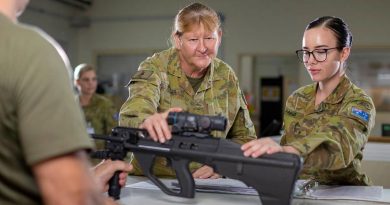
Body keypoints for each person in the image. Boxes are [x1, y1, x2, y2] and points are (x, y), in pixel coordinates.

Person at [0, 1, 132, 204]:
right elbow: (69, 196)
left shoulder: (103, 105)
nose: (90, 84)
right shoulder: (30, 52)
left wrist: (87, 179)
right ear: (77, 82)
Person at [119, 2, 257, 179]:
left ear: (220, 37)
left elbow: (245, 137)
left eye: (209, 38)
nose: (202, 48)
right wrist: (147, 121)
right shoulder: (156, 68)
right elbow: (133, 114)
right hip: (154, 182)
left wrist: (224, 163)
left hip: (208, 186)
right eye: (193, 40)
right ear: (178, 40)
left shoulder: (226, 75)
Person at [241, 16, 376, 185]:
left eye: (321, 51)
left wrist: (289, 151)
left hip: (342, 194)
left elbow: (340, 143)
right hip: (296, 189)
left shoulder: (359, 102)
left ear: (344, 52)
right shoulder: (297, 98)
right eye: (306, 52)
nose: (310, 60)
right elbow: (286, 145)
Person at [74, 63, 117, 136]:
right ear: (77, 82)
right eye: (86, 80)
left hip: (98, 147)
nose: (91, 83)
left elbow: (114, 133)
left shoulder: (105, 104)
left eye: (94, 79)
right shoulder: (70, 104)